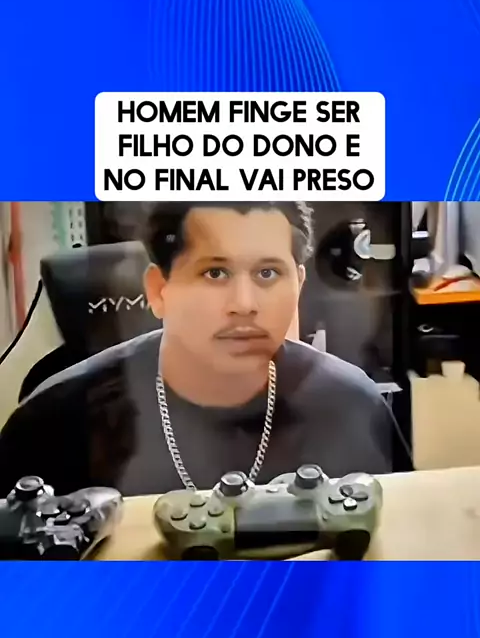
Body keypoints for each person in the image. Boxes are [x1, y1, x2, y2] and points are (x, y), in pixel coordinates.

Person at [0, 202, 392, 498]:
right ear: (159, 291)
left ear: (299, 285)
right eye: (215, 273)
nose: (244, 304)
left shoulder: (354, 407)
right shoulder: (50, 428)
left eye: (268, 273)